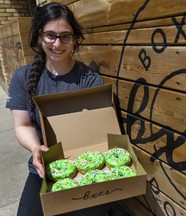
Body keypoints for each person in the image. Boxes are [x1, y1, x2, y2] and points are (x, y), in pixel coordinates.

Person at [6, 2, 118, 216]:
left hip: (86, 165)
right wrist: (35, 148)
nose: (57, 44)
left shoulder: (90, 79)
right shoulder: (22, 77)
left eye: (65, 36)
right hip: (44, 166)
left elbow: (96, 130)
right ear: (39, 36)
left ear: (74, 39)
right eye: (50, 35)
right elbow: (23, 124)